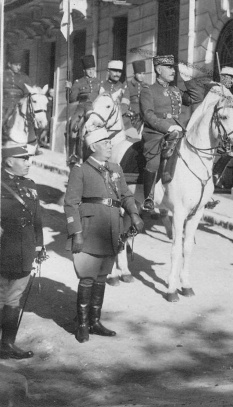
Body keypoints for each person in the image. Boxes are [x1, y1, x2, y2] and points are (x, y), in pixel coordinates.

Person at [65, 128, 144, 340]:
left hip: (111, 229)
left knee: (101, 277)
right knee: (87, 276)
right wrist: (76, 232)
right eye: (105, 142)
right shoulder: (80, 170)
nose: (110, 145)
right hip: (90, 229)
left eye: (110, 142)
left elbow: (126, 195)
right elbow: (70, 204)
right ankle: (82, 324)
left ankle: (95, 321)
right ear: (93, 146)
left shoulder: (115, 168)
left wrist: (134, 214)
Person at [0, 145, 45, 359]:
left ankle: (7, 344)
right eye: (24, 159)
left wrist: (39, 245)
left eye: (29, 159)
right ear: (9, 161)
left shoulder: (30, 185)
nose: (28, 163)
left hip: (24, 248)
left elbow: (37, 218)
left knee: (14, 297)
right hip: (3, 247)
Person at [139, 54, 189, 212]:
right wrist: (167, 127)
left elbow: (194, 98)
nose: (173, 70)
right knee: (153, 161)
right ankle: (149, 197)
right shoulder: (148, 90)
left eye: (173, 67)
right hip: (156, 133)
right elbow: (148, 115)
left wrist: (188, 80)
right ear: (158, 69)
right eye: (169, 67)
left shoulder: (175, 90)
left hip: (178, 130)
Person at [2, 51, 34, 120]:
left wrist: (24, 99)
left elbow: (29, 91)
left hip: (19, 103)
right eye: (16, 65)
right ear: (9, 64)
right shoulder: (2, 75)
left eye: (20, 65)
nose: (18, 67)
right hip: (4, 103)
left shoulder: (24, 77)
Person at [126, 60, 150, 126]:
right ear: (134, 74)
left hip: (144, 118)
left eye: (143, 73)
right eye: (139, 73)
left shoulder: (147, 86)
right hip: (131, 118)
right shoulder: (128, 85)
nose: (142, 76)